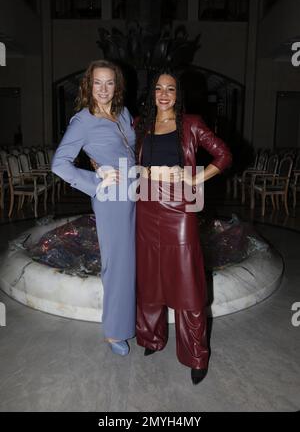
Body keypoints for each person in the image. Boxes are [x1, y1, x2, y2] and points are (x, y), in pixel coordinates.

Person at [135, 69, 232, 384]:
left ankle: (196, 355)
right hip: (146, 208)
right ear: (152, 93)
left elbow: (224, 155)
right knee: (150, 278)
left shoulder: (191, 124)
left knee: (187, 283)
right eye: (159, 88)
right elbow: (127, 158)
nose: (164, 94)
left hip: (179, 209)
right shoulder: (141, 125)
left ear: (178, 94)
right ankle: (152, 338)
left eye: (171, 89)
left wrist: (194, 178)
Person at [51, 59, 136, 356]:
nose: (103, 89)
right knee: (117, 263)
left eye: (109, 82)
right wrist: (96, 178)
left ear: (117, 86)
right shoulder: (82, 121)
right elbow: (59, 165)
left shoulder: (123, 113)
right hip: (111, 197)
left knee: (134, 259)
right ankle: (114, 331)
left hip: (136, 192)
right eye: (97, 83)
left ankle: (130, 315)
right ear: (88, 85)